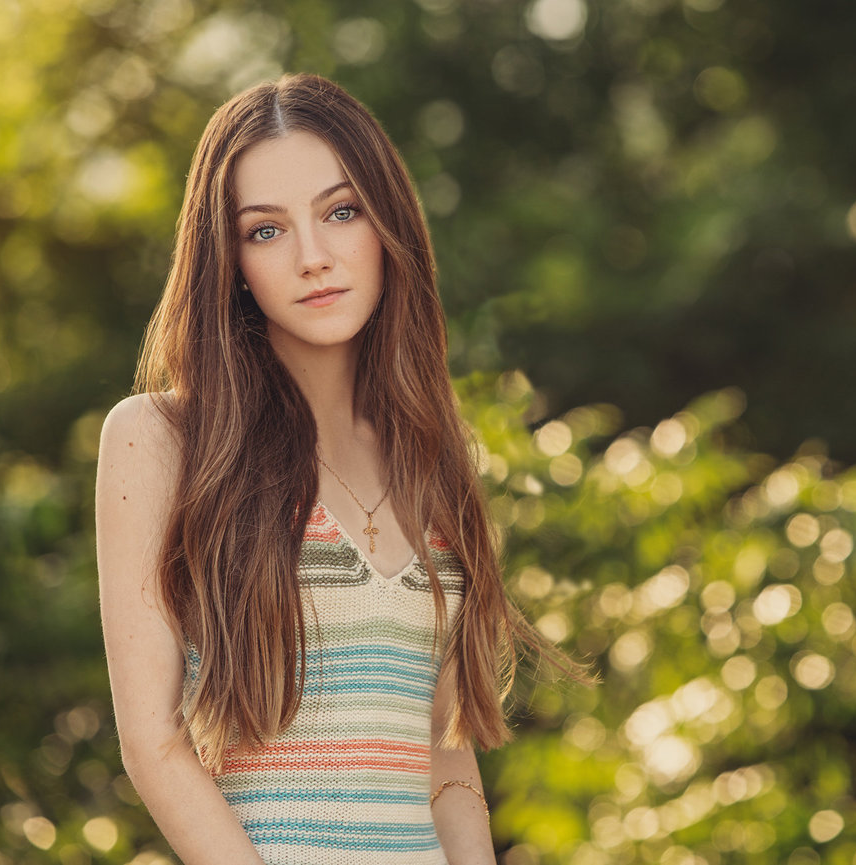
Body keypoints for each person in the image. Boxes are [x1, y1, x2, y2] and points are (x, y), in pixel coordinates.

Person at [95, 73, 576, 865]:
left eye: (341, 212)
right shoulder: (161, 440)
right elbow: (155, 744)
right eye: (266, 230)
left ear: (388, 224)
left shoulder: (433, 451)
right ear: (231, 261)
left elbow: (445, 752)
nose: (313, 258)